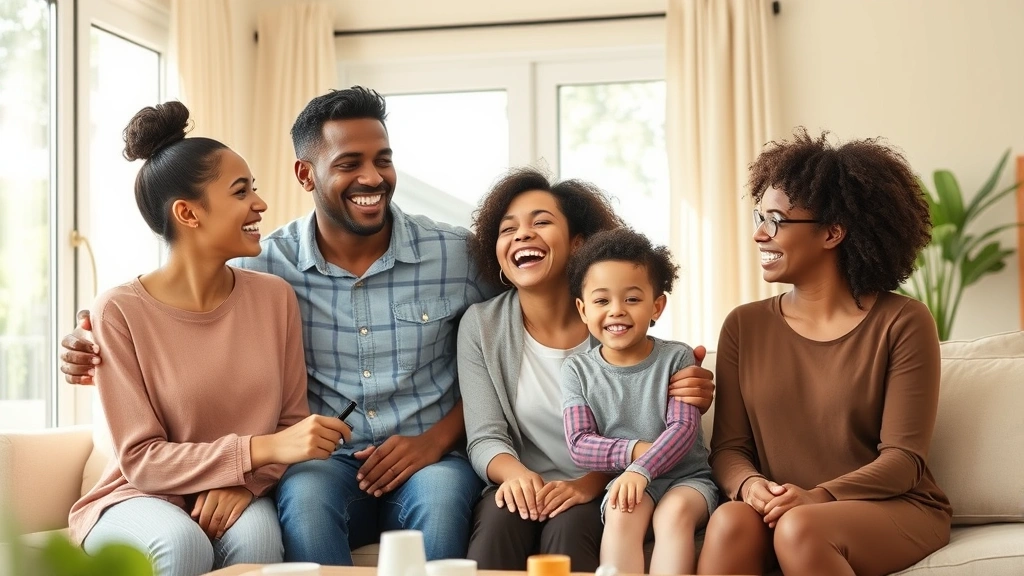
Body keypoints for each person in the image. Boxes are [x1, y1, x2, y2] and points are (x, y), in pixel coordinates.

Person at [59, 87, 490, 565]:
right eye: (349, 163)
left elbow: (518, 333)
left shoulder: (456, 254)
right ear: (306, 174)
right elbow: (171, 291)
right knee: (302, 506)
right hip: (318, 465)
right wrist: (88, 337)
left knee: (438, 503)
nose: (372, 177)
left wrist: (437, 440)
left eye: (382, 160)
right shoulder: (266, 265)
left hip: (429, 459)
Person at [69, 102, 353, 576]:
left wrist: (247, 481)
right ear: (188, 212)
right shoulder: (118, 311)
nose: (259, 204)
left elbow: (289, 421)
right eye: (241, 191)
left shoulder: (274, 298)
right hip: (136, 495)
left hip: (240, 486)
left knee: (259, 540)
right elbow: (142, 461)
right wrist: (260, 450)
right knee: (181, 544)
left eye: (253, 188)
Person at [697, 129, 952, 576]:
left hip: (887, 506)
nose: (759, 234)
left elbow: (903, 461)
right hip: (784, 508)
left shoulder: (903, 322)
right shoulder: (744, 326)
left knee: (800, 529)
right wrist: (750, 485)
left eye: (776, 220)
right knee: (730, 521)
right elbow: (730, 448)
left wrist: (819, 496)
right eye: (759, 217)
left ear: (833, 232)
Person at [458, 169, 716, 571]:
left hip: (608, 479)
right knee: (497, 522)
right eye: (508, 229)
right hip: (521, 479)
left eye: (541, 222)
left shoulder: (615, 327)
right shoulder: (481, 326)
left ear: (579, 244)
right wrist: (518, 477)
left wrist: (586, 484)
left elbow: (649, 420)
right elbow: (484, 437)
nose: (522, 235)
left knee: (570, 529)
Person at [561, 227, 718, 575]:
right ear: (583, 309)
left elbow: (683, 430)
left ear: (656, 306)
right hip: (629, 480)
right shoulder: (576, 370)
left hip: (687, 479)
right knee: (621, 512)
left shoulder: (677, 357)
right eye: (602, 301)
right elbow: (579, 444)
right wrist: (636, 457)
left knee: (673, 515)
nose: (617, 311)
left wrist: (641, 469)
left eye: (632, 299)